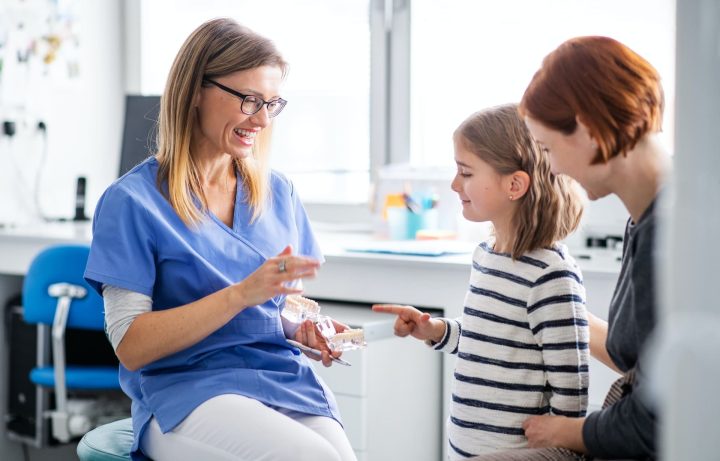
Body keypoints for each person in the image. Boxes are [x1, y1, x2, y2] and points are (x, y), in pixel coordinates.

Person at [84, 18, 356, 461]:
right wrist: (242, 294)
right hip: (186, 390)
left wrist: (305, 329)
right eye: (250, 101)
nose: (263, 120)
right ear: (195, 91)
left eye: (272, 104)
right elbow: (131, 345)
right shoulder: (131, 202)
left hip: (277, 377)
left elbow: (286, 305)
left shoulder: (278, 193)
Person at [373, 103, 589, 460]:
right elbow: (486, 342)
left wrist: (558, 448)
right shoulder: (487, 256)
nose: (455, 184)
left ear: (514, 185)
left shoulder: (550, 275)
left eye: (466, 173)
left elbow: (572, 387)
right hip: (467, 448)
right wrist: (436, 331)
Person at [515, 35, 667, 461]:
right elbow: (639, 349)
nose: (553, 168)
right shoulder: (646, 217)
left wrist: (565, 429)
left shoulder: (672, 236)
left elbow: (654, 425)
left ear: (587, 129)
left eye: (547, 149)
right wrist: (552, 307)